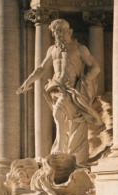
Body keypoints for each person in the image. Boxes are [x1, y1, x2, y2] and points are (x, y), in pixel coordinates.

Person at [17, 18, 102, 166]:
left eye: (62, 31)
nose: (59, 34)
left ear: (70, 31)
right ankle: (65, 151)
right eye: (56, 32)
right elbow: (41, 69)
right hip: (56, 88)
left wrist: (86, 80)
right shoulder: (52, 50)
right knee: (62, 118)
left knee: (59, 114)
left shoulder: (79, 48)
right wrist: (28, 82)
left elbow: (96, 67)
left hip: (72, 89)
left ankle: (61, 150)